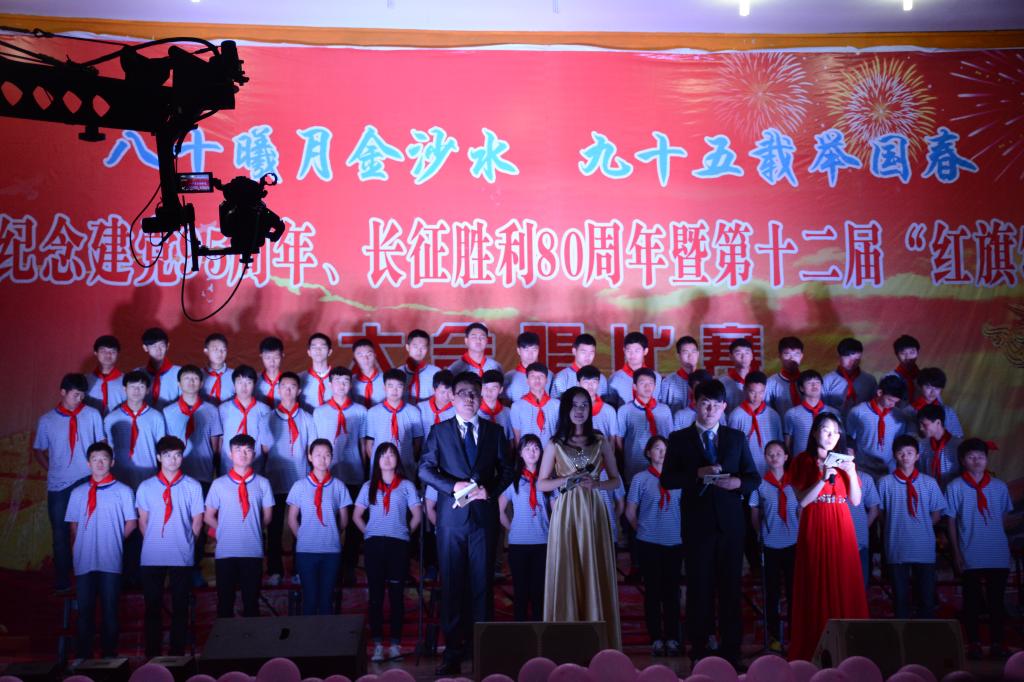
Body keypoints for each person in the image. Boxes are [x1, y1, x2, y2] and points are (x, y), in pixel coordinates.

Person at [419, 371, 514, 675]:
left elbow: (508, 470)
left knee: (482, 585)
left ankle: (482, 649)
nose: (469, 399)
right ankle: (453, 652)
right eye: (463, 393)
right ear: (451, 397)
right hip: (451, 522)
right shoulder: (439, 431)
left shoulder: (494, 432)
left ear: (481, 396)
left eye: (474, 393)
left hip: (483, 520)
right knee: (452, 585)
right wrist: (452, 486)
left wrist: (491, 491)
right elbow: (425, 469)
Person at [661, 379, 760, 666]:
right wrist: (697, 473)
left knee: (730, 589)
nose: (710, 410)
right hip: (697, 526)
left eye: (716, 405)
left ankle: (732, 651)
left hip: (731, 525)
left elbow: (753, 477)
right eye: (705, 404)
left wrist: (736, 483)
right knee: (699, 588)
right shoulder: (679, 438)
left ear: (724, 407)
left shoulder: (735, 438)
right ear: (695, 403)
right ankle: (699, 650)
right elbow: (667, 479)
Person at [538, 386, 623, 650]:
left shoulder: (599, 440)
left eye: (584, 405)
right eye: (574, 405)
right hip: (566, 510)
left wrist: (597, 484)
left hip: (593, 508)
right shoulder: (555, 443)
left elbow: (616, 480)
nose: (579, 410)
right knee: (568, 566)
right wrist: (566, 479)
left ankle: (598, 641)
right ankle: (566, 641)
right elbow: (541, 483)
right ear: (566, 409)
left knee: (593, 565)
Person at [788, 412, 867, 662]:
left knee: (844, 580)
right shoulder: (803, 460)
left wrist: (850, 472)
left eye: (835, 431)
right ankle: (815, 649)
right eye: (825, 430)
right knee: (815, 580)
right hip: (815, 521)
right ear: (814, 433)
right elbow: (803, 501)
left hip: (841, 523)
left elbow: (855, 500)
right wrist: (823, 478)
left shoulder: (845, 460)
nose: (831, 435)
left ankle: (848, 649)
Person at [34, 373, 105, 593]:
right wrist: (53, 470)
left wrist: (97, 472)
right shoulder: (47, 420)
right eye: (75, 394)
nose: (79, 399)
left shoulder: (92, 414)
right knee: (60, 533)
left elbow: (101, 444)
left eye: (82, 395)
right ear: (63, 392)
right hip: (59, 485)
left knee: (90, 531)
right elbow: (38, 450)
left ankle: (92, 580)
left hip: (87, 480)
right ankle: (63, 582)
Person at [945, 439, 1014, 660]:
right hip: (970, 552)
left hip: (997, 553)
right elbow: (951, 522)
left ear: (986, 460)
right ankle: (973, 643)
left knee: (996, 602)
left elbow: (1004, 518)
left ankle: (997, 643)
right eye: (971, 457)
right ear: (962, 460)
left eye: (981, 457)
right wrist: (956, 553)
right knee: (971, 602)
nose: (977, 461)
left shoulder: (999, 486)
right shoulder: (955, 487)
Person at [66, 442, 137, 659]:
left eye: (104, 458)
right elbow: (73, 527)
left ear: (112, 462)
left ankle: (109, 659)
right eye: (95, 459)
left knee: (110, 611)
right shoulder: (78, 493)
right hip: (84, 560)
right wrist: (77, 552)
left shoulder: (124, 491)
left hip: (110, 560)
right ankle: (84, 658)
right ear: (88, 463)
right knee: (85, 612)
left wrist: (114, 539)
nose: (99, 463)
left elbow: (131, 523)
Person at [136, 436, 204, 657]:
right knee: (152, 607)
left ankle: (177, 656)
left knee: (180, 607)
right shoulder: (146, 486)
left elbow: (197, 521)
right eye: (167, 455)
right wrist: (155, 540)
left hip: (181, 553)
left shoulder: (193, 486)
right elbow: (143, 521)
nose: (173, 460)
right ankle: (152, 655)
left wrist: (187, 542)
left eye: (177, 455)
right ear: (158, 457)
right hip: (152, 555)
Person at [355, 442, 421, 662]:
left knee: (396, 595)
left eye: (391, 454)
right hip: (374, 545)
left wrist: (405, 533)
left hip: (398, 545)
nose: (387, 458)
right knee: (375, 596)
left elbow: (417, 515)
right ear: (376, 460)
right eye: (382, 455)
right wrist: (369, 533)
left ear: (397, 460)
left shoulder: (407, 486)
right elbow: (356, 516)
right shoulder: (368, 486)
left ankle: (394, 645)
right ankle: (376, 645)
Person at [161, 366, 222, 585]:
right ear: (179, 384)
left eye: (195, 378)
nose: (191, 382)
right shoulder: (168, 411)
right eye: (186, 378)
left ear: (201, 383)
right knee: (176, 521)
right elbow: (164, 445)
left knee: (199, 523)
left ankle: (194, 566)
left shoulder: (211, 410)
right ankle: (173, 569)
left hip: (202, 474)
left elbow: (215, 444)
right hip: (175, 477)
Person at [204, 434, 275, 618]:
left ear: (254, 454)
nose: (243, 454)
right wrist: (225, 529)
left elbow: (267, 517)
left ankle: (251, 637)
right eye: (238, 450)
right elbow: (208, 516)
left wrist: (252, 529)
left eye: (247, 450)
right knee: (225, 604)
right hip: (226, 552)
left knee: (251, 604)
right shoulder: (219, 484)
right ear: (230, 454)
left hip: (253, 551)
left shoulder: (263, 483)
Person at [625, 435, 683, 657]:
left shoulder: (678, 478)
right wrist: (642, 530)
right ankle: (656, 639)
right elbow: (630, 511)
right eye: (657, 448)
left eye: (665, 449)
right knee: (653, 592)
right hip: (649, 542)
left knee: (672, 593)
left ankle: (673, 638)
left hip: (674, 542)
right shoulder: (640, 479)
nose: (661, 453)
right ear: (648, 453)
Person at [877, 435, 945, 619]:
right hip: (896, 546)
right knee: (900, 600)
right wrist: (894, 526)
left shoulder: (929, 483)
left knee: (926, 600)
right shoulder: (885, 482)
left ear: (917, 456)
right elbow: (880, 512)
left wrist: (922, 527)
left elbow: (937, 512)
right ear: (894, 456)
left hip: (924, 547)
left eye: (909, 453)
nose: (905, 457)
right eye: (901, 453)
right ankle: (902, 635)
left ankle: (924, 635)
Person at [312, 366, 368, 585]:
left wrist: (364, 471)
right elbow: (315, 446)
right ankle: (329, 565)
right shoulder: (319, 412)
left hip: (354, 473)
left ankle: (349, 566)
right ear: (330, 384)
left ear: (350, 384)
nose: (341, 385)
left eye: (346, 381)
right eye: (337, 381)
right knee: (329, 521)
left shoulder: (361, 411)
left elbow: (363, 444)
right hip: (328, 476)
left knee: (353, 523)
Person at [287, 439, 352, 615]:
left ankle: (326, 633)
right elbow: (292, 519)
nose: (322, 459)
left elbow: (344, 520)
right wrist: (304, 537)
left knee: (326, 600)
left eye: (327, 455)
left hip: (331, 551)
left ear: (331, 457)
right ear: (309, 457)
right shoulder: (300, 486)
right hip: (306, 552)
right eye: (318, 455)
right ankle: (308, 633)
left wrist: (331, 534)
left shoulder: (339, 486)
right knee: (310, 599)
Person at [264, 372, 315, 585]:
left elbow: (312, 450)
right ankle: (275, 570)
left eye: (292, 386)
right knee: (274, 528)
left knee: (300, 528)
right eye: (284, 386)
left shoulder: (307, 418)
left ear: (299, 390)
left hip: (300, 480)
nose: (288, 390)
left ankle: (299, 569)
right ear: (278, 390)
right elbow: (264, 449)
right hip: (275, 479)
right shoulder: (267, 418)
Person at [749, 440, 799, 652]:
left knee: (794, 592)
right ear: (765, 458)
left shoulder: (795, 483)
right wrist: (760, 535)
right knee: (772, 595)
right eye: (770, 454)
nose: (774, 457)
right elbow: (754, 513)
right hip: (770, 544)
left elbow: (801, 511)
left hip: (793, 543)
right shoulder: (760, 484)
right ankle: (775, 638)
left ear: (786, 457)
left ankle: (796, 636)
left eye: (778, 453)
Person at [499, 434, 550, 622]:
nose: (532, 452)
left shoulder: (547, 480)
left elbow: (556, 510)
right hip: (519, 543)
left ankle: (539, 630)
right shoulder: (514, 480)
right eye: (527, 448)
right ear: (520, 453)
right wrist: (512, 528)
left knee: (539, 591)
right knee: (520, 591)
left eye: (536, 448)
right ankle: (519, 631)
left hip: (543, 541)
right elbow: (499, 510)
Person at [104, 370, 167, 490]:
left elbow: (161, 447)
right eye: (132, 386)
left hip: (148, 472)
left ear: (148, 390)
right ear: (124, 388)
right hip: (119, 473)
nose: (136, 391)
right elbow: (108, 448)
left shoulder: (156, 417)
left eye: (141, 387)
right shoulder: (111, 418)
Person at [364, 369, 424, 481]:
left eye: (399, 386)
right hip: (380, 466)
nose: (394, 390)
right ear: (384, 387)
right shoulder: (373, 412)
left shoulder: (413, 411)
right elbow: (369, 444)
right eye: (390, 386)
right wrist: (379, 463)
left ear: (404, 388)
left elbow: (417, 442)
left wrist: (409, 458)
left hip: (406, 463)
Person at [846, 375, 908, 480]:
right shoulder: (858, 412)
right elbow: (849, 437)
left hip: (889, 470)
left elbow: (899, 443)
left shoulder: (898, 416)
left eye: (896, 402)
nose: (892, 405)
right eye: (890, 400)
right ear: (879, 393)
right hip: (863, 468)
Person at [617, 367, 672, 484]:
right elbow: (619, 439)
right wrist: (628, 456)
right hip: (634, 464)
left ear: (655, 386)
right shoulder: (625, 410)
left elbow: (669, 438)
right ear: (634, 386)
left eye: (651, 383)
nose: (647, 387)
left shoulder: (665, 410)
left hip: (661, 464)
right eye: (643, 383)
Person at [216, 365, 272, 475]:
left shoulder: (264, 410)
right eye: (240, 382)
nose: (244, 387)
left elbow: (266, 442)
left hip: (256, 463)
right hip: (228, 464)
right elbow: (219, 439)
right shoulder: (223, 409)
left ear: (254, 384)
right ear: (234, 384)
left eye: (248, 382)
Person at [727, 370, 783, 477]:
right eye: (752, 392)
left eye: (761, 392)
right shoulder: (736, 416)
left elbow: (779, 443)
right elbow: (732, 447)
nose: (756, 397)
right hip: (745, 468)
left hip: (770, 467)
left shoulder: (773, 415)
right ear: (744, 389)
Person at [783, 370, 840, 457]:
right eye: (809, 383)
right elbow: (787, 443)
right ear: (801, 388)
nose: (814, 385)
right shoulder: (792, 414)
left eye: (817, 382)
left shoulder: (834, 412)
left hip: (828, 460)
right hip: (801, 460)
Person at [822, 337, 877, 417]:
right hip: (835, 422)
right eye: (848, 358)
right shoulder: (827, 380)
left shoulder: (869, 380)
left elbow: (874, 406)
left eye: (856, 359)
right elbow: (823, 407)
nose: (852, 362)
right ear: (839, 356)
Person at [510, 362, 560, 448]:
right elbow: (517, 438)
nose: (537, 379)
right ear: (527, 381)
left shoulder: (557, 405)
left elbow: (560, 433)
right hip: (527, 454)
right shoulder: (517, 407)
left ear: (546, 380)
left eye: (541, 376)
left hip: (552, 452)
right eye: (533, 376)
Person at [609, 331, 661, 407]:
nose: (632, 354)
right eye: (629, 350)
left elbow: (660, 405)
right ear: (624, 351)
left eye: (637, 351)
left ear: (645, 351)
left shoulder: (657, 377)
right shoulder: (614, 378)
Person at [917, 403, 961, 490]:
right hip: (929, 491)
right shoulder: (922, 445)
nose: (921, 428)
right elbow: (921, 471)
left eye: (924, 425)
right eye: (920, 425)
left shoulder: (957, 445)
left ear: (938, 422)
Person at [910, 367, 964, 437]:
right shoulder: (910, 410)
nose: (933, 392)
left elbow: (958, 435)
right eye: (928, 387)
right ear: (920, 387)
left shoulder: (948, 411)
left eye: (937, 388)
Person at [551, 333, 608, 399]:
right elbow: (554, 403)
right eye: (584, 352)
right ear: (574, 351)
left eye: (591, 352)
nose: (588, 356)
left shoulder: (601, 378)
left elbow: (604, 403)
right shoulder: (562, 377)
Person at [139, 327, 181, 409]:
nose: (158, 350)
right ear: (145, 348)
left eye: (161, 345)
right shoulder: (138, 373)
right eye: (153, 346)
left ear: (167, 346)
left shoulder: (179, 372)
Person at [504, 332, 551, 402]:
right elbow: (504, 403)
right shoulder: (509, 377)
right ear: (518, 351)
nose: (530, 354)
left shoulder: (549, 375)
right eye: (526, 350)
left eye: (534, 350)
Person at [659, 335, 700, 412]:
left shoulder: (705, 380)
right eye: (686, 352)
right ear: (678, 356)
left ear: (698, 354)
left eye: (693, 352)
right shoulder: (668, 382)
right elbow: (663, 410)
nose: (690, 356)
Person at [765, 336, 804, 416]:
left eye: (796, 354)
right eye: (787, 354)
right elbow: (766, 412)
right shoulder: (770, 383)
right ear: (779, 356)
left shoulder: (808, 381)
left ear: (801, 356)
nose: (792, 358)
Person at [86, 335, 125, 414]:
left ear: (118, 354)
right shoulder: (86, 380)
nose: (108, 355)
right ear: (95, 353)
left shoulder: (127, 380)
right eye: (103, 351)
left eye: (112, 352)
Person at [478, 369, 514, 446]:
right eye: (486, 388)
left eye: (493, 388)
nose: (489, 392)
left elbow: (511, 439)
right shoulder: (474, 412)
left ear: (500, 390)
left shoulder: (507, 412)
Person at [403, 329, 440, 403]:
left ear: (428, 349)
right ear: (407, 347)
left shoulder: (436, 372)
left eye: (423, 347)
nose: (419, 351)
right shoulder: (399, 372)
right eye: (415, 347)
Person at [300, 332, 333, 409]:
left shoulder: (339, 378)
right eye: (314, 347)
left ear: (329, 352)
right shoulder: (300, 378)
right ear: (309, 352)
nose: (318, 350)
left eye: (323, 347)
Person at [722, 338, 756, 411]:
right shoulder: (722, 383)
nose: (743, 357)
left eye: (747, 353)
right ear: (730, 356)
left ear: (752, 356)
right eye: (738, 353)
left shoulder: (759, 381)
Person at [418, 369, 455, 434]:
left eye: (450, 392)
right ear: (433, 389)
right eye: (442, 392)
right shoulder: (420, 408)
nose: (446, 396)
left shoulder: (458, 409)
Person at [201, 333, 233, 404]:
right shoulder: (198, 375)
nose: (220, 353)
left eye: (223, 350)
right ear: (206, 351)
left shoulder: (235, 375)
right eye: (215, 349)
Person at [352, 338, 385, 406]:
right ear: (354, 359)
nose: (365, 359)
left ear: (375, 355)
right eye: (360, 355)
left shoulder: (386, 379)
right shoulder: (350, 381)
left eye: (369, 354)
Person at [889, 334, 921, 404]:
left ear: (918, 352)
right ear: (897, 355)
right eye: (903, 353)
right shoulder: (889, 378)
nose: (908, 357)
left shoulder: (925, 377)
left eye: (912, 352)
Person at [256, 336, 285, 406]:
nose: (272, 362)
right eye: (267, 358)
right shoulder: (254, 381)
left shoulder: (289, 382)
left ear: (282, 356)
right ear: (261, 356)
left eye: (276, 357)